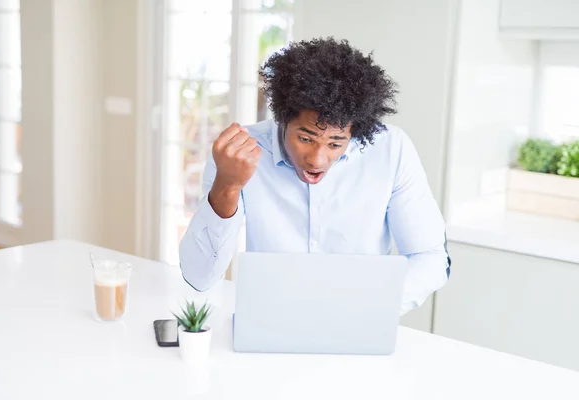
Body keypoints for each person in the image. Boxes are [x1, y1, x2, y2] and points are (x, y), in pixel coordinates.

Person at [179, 37, 450, 314]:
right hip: (270, 322)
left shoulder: (391, 150)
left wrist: (373, 307)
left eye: (335, 143)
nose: (317, 160)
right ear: (283, 118)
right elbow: (199, 277)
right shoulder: (238, 155)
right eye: (305, 138)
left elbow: (429, 257)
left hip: (362, 324)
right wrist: (227, 186)